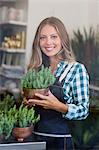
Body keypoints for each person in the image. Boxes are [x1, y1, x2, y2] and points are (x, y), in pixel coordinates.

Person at [27, 16, 89, 150]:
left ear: (63, 39)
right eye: (43, 37)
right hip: (34, 138)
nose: (48, 42)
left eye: (54, 36)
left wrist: (58, 106)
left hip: (61, 142)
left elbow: (83, 110)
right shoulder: (36, 69)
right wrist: (27, 102)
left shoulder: (75, 69)